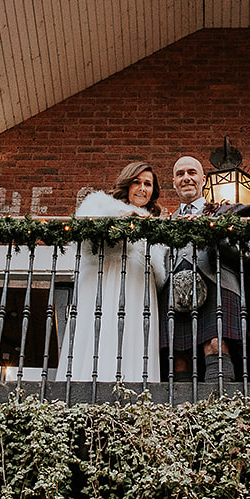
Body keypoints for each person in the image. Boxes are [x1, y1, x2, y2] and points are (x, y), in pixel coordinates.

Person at [158, 155, 250, 381]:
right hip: (176, 294)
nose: (186, 178)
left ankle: (221, 405)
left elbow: (244, 251)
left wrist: (209, 229)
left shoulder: (224, 212)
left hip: (218, 285)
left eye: (192, 173)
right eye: (180, 174)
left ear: (202, 179)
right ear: (173, 182)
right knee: (180, 354)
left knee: (216, 344)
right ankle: (181, 412)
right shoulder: (165, 221)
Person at [63, 161, 167, 383]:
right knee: (101, 332)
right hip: (107, 278)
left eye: (148, 184)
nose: (142, 188)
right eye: (136, 182)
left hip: (139, 284)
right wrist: (124, 215)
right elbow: (86, 228)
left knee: (135, 336)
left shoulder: (155, 224)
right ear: (127, 184)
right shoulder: (101, 204)